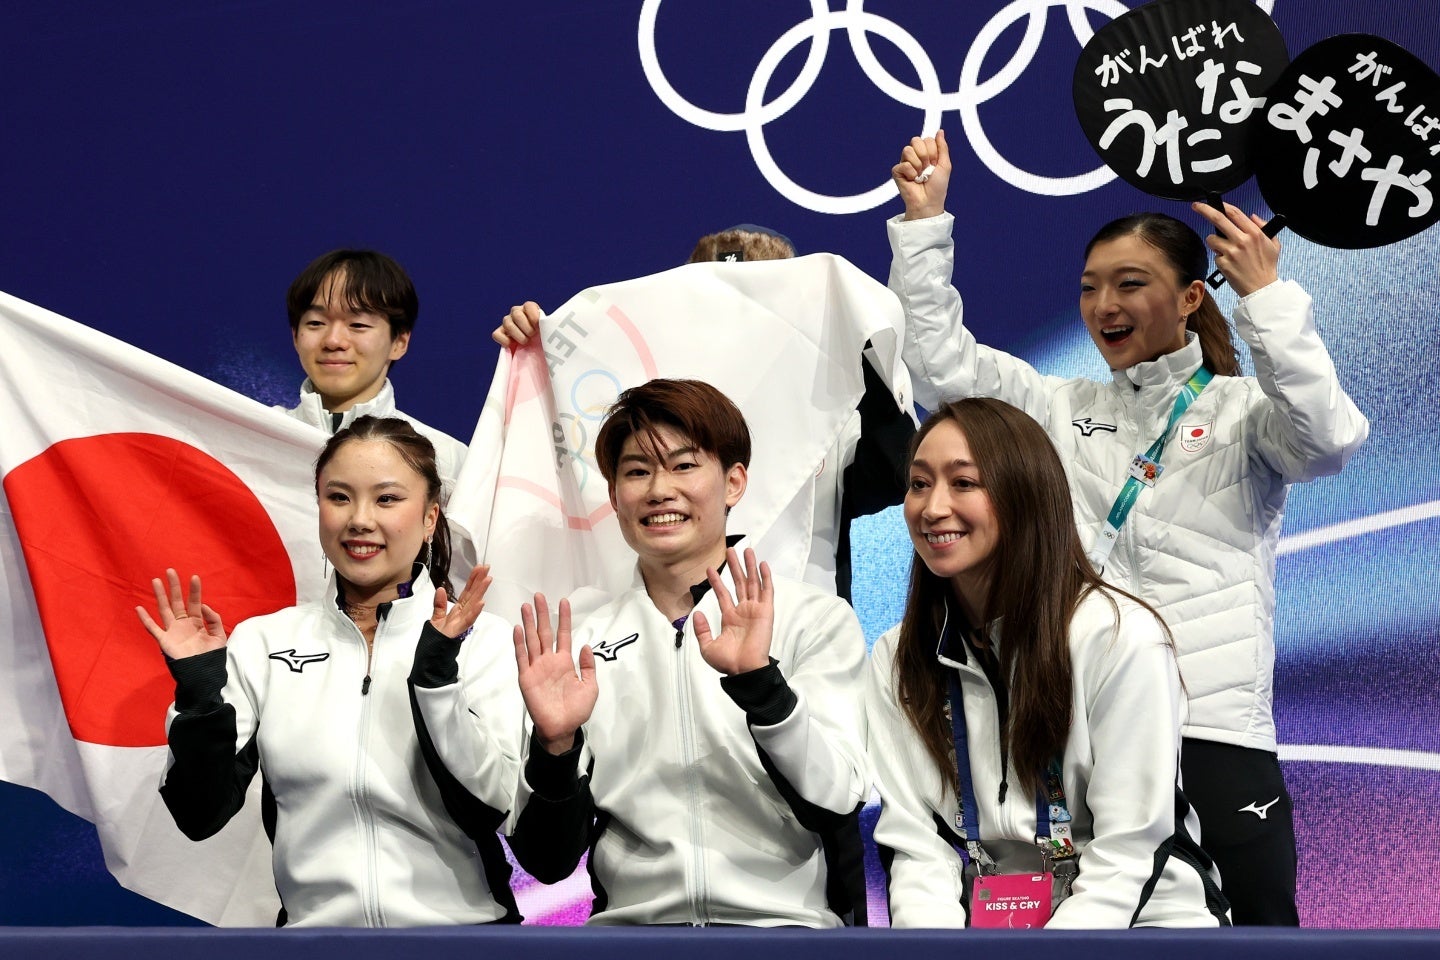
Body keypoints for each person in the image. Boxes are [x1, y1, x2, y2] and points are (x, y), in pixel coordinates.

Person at [887, 130, 1369, 925]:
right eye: (1089, 287)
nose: (1104, 305)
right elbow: (942, 368)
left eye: (1131, 283)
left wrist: (1267, 301)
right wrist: (923, 226)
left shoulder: (1243, 414)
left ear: (1190, 297)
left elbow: (1330, 437)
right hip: (1082, 726)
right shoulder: (1058, 406)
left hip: (1214, 732)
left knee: (1257, 942)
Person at [418, 378, 870, 926]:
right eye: (637, 472)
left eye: (684, 466)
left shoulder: (811, 619)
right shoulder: (577, 640)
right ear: (614, 497)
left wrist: (760, 683)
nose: (659, 491)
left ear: (734, 482)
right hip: (632, 945)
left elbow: (837, 802)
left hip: (784, 937)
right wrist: (555, 746)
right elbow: (546, 861)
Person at [138, 416, 521, 927]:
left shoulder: (486, 642)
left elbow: (497, 806)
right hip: (313, 947)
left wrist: (437, 675)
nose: (359, 520)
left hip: (465, 943)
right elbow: (198, 813)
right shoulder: (266, 642)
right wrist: (201, 693)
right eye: (339, 497)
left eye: (387, 499)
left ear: (431, 518)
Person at [866, 398, 1229, 928]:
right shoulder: (898, 657)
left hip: (1143, 928)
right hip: (994, 934)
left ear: (1024, 495)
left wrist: (1048, 959)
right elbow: (919, 847)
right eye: (919, 483)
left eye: (964, 483)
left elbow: (1129, 848)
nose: (933, 507)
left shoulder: (1118, 637)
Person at [493, 227, 915, 601]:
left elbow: (895, 474)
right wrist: (542, 354)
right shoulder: (644, 406)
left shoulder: (827, 404)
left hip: (795, 643)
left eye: (759, 306)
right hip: (651, 635)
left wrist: (855, 344)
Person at [283, 250, 467, 499]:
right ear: (295, 336)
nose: (334, 340)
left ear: (399, 342)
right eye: (316, 323)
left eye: (357, 325)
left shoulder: (445, 460)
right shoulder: (250, 438)